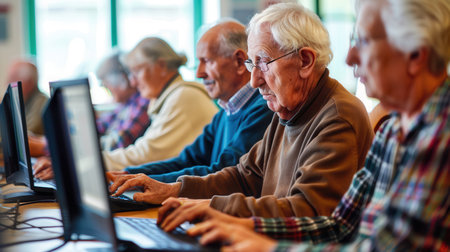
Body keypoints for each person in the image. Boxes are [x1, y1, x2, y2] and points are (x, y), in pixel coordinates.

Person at [156, 0, 450, 251]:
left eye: (364, 42)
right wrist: (239, 225)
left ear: (415, 55)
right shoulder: (393, 130)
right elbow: (339, 225)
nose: (349, 58)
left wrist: (268, 245)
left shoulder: (439, 135)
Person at [109, 3, 374, 218]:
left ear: (305, 61)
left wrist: (208, 207)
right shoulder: (289, 110)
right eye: (251, 63)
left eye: (263, 62)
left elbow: (305, 211)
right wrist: (175, 189)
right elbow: (244, 175)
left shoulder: (336, 116)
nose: (254, 80)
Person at [116, 20, 273, 183]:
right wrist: (128, 174)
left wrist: (146, 181)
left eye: (207, 61)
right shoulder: (225, 112)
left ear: (240, 62)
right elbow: (187, 160)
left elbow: (225, 171)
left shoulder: (263, 109)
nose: (199, 73)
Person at [101, 37, 218, 171]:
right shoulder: (169, 97)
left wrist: (98, 161)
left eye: (137, 71)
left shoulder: (183, 97)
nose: (133, 82)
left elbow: (146, 157)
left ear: (161, 66)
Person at [95, 52, 151, 151]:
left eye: (106, 85)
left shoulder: (142, 101)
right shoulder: (126, 103)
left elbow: (123, 140)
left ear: (122, 80)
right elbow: (104, 124)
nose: (109, 90)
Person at [6, 60, 48, 136]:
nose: (8, 83)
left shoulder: (42, 102)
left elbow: (25, 135)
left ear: (29, 82)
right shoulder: (20, 101)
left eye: (13, 78)